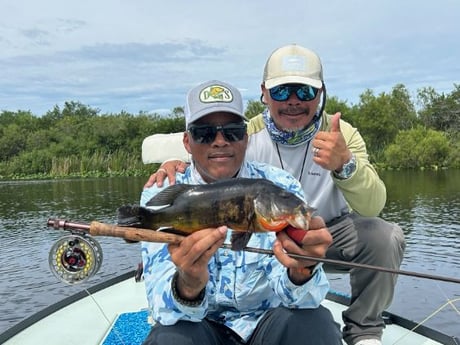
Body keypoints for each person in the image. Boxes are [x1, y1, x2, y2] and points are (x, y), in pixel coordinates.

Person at [144, 45, 406, 345]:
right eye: (282, 92)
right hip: (258, 238)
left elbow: (373, 206)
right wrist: (174, 168)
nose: (293, 101)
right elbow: (211, 150)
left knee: (380, 241)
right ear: (264, 94)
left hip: (315, 233)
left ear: (321, 94)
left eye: (305, 92)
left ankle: (365, 332)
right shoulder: (251, 131)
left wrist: (345, 165)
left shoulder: (341, 136)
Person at [140, 79, 342, 345]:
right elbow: (162, 310)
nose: (220, 141)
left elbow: (304, 300)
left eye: (233, 131)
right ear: (188, 142)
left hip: (266, 325)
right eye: (205, 133)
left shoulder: (281, 187)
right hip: (201, 326)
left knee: (314, 323)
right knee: (170, 338)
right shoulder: (162, 191)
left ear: (246, 138)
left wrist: (302, 270)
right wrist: (188, 284)